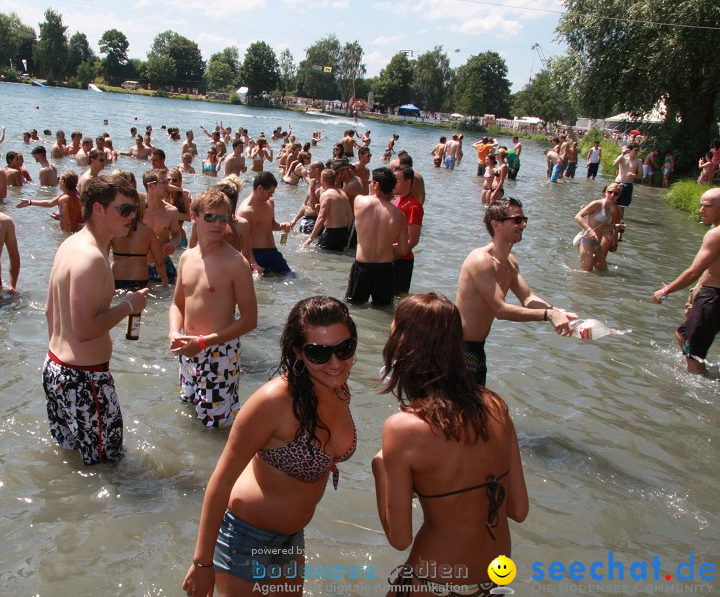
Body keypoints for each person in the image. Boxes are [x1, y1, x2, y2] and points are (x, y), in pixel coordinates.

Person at [182, 296, 358, 597]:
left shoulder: (339, 388)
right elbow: (221, 480)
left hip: (291, 538)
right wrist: (202, 564)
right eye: (319, 353)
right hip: (245, 539)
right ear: (297, 352)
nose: (335, 363)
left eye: (345, 349)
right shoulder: (272, 403)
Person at [373, 293, 528, 594]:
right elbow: (519, 510)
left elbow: (399, 538)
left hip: (433, 581)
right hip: (493, 582)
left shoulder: (403, 428)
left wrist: (380, 468)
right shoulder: (495, 405)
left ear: (403, 347)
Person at [43, 176, 149, 464]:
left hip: (58, 369)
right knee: (107, 465)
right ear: (99, 209)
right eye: (125, 209)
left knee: (72, 457)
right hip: (85, 380)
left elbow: (49, 310)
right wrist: (129, 304)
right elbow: (84, 329)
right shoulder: (90, 257)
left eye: (135, 210)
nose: (132, 217)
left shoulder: (71, 244)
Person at [456, 198, 578, 385]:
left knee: (475, 409)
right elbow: (501, 310)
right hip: (459, 348)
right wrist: (549, 315)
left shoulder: (510, 262)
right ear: (496, 224)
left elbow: (528, 298)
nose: (524, 225)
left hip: (477, 347)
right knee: (458, 410)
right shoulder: (481, 260)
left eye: (524, 219)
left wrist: (559, 313)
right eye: (517, 220)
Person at [169, 188, 258, 428]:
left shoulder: (236, 263)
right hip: (187, 349)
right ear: (194, 217)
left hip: (219, 353)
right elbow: (178, 304)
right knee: (189, 411)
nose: (217, 224)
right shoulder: (187, 257)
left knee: (215, 424)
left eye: (223, 218)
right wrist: (174, 333)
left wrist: (203, 342)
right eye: (210, 216)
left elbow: (250, 320)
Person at [651, 188, 720, 376]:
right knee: (683, 333)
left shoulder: (715, 235)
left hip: (712, 299)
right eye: (701, 205)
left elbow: (694, 271)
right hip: (710, 296)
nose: (701, 210)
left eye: (708, 206)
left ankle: (696, 388)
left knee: (694, 356)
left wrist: (665, 291)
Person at [346, 168, 408, 307]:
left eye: (371, 182)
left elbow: (369, 200)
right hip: (384, 268)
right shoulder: (399, 215)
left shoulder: (359, 201)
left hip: (362, 265)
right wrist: (385, 247)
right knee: (383, 310)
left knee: (354, 307)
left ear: (376, 185)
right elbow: (403, 250)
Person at [237, 172, 292, 275]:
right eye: (269, 192)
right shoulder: (245, 211)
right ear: (259, 189)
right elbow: (244, 241)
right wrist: (253, 263)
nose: (271, 196)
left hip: (273, 252)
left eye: (272, 193)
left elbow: (271, 225)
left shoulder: (270, 202)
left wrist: (282, 226)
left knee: (290, 277)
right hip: (256, 254)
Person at [142, 168, 182, 284]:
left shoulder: (171, 211)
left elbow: (176, 234)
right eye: (164, 182)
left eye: (168, 182)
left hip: (164, 262)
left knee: (166, 298)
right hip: (140, 264)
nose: (168, 186)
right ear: (151, 186)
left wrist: (173, 243)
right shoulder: (138, 209)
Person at [574, 183, 622, 271]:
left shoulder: (612, 208)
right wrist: (589, 230)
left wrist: (615, 227)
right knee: (585, 274)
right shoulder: (597, 204)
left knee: (603, 272)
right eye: (610, 192)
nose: (612, 195)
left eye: (616, 194)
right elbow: (578, 217)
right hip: (587, 242)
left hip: (597, 244)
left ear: (618, 196)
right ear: (605, 192)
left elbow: (604, 227)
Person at [302, 169, 353, 251]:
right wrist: (346, 232)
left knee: (321, 256)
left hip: (332, 232)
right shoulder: (343, 193)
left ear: (322, 180)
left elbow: (322, 217)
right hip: (343, 232)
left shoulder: (326, 195)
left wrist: (310, 238)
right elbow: (350, 216)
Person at [16, 171, 82, 233]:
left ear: (62, 182)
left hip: (69, 233)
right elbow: (50, 203)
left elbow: (67, 223)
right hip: (77, 231)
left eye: (59, 179)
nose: (58, 181)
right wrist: (30, 202)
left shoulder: (64, 199)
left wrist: (66, 238)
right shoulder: (77, 195)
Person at [392, 165, 424, 295]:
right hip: (392, 257)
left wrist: (391, 257)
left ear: (408, 182)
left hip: (401, 261)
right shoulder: (398, 200)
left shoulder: (414, 206)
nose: (393, 184)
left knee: (396, 300)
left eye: (396, 181)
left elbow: (412, 241)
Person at [613, 144, 642, 216]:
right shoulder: (623, 158)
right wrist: (622, 153)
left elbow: (640, 176)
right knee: (613, 205)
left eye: (638, 150)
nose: (637, 152)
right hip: (618, 183)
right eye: (635, 150)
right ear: (630, 150)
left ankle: (619, 222)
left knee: (621, 207)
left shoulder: (638, 161)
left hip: (628, 184)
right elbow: (615, 164)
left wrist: (633, 175)